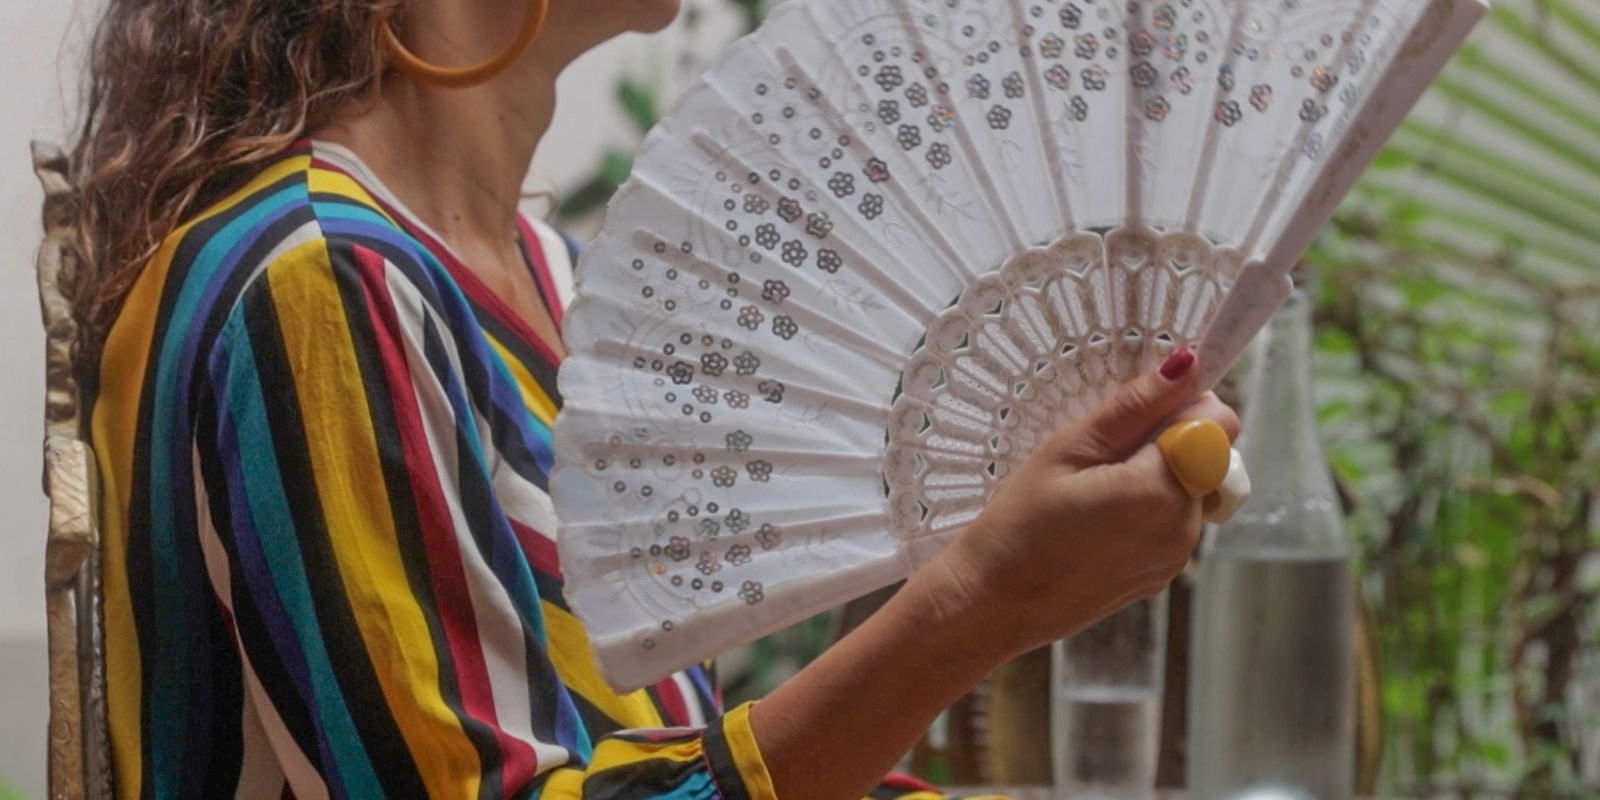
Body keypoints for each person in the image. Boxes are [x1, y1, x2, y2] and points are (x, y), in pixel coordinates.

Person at [69, 1, 1240, 798]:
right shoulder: (319, 278)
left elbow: (650, 761)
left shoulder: (551, 281)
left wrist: (970, 575)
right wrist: (976, 605)